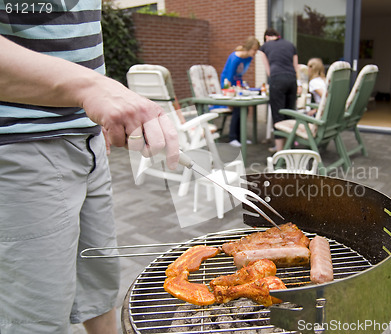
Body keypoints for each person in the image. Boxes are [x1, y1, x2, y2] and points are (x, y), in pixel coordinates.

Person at [0, 2, 179, 333]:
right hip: (20, 147)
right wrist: (89, 88)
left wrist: (93, 106)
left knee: (100, 286)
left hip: (88, 137)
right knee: (37, 317)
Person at [259, 28, 299, 152]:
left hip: (277, 79)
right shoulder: (291, 45)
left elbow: (269, 71)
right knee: (289, 114)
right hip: (292, 80)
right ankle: (289, 147)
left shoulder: (264, 47)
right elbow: (295, 67)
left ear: (267, 37)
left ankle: (280, 151)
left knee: (278, 115)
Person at [220, 36, 260, 147]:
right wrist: (229, 90)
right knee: (237, 110)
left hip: (237, 84)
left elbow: (239, 75)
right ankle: (233, 137)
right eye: (254, 50)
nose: (255, 53)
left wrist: (241, 86)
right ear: (248, 48)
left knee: (244, 110)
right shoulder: (235, 58)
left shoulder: (248, 58)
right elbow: (229, 76)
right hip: (228, 85)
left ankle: (240, 136)